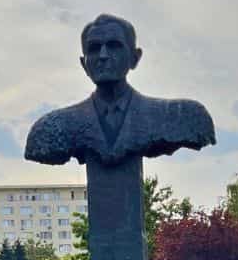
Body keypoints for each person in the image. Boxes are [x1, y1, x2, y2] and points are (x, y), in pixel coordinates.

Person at [25, 14, 216, 168]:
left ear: (135, 58)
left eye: (114, 46)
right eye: (94, 49)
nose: (103, 56)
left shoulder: (180, 116)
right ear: (84, 64)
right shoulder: (53, 127)